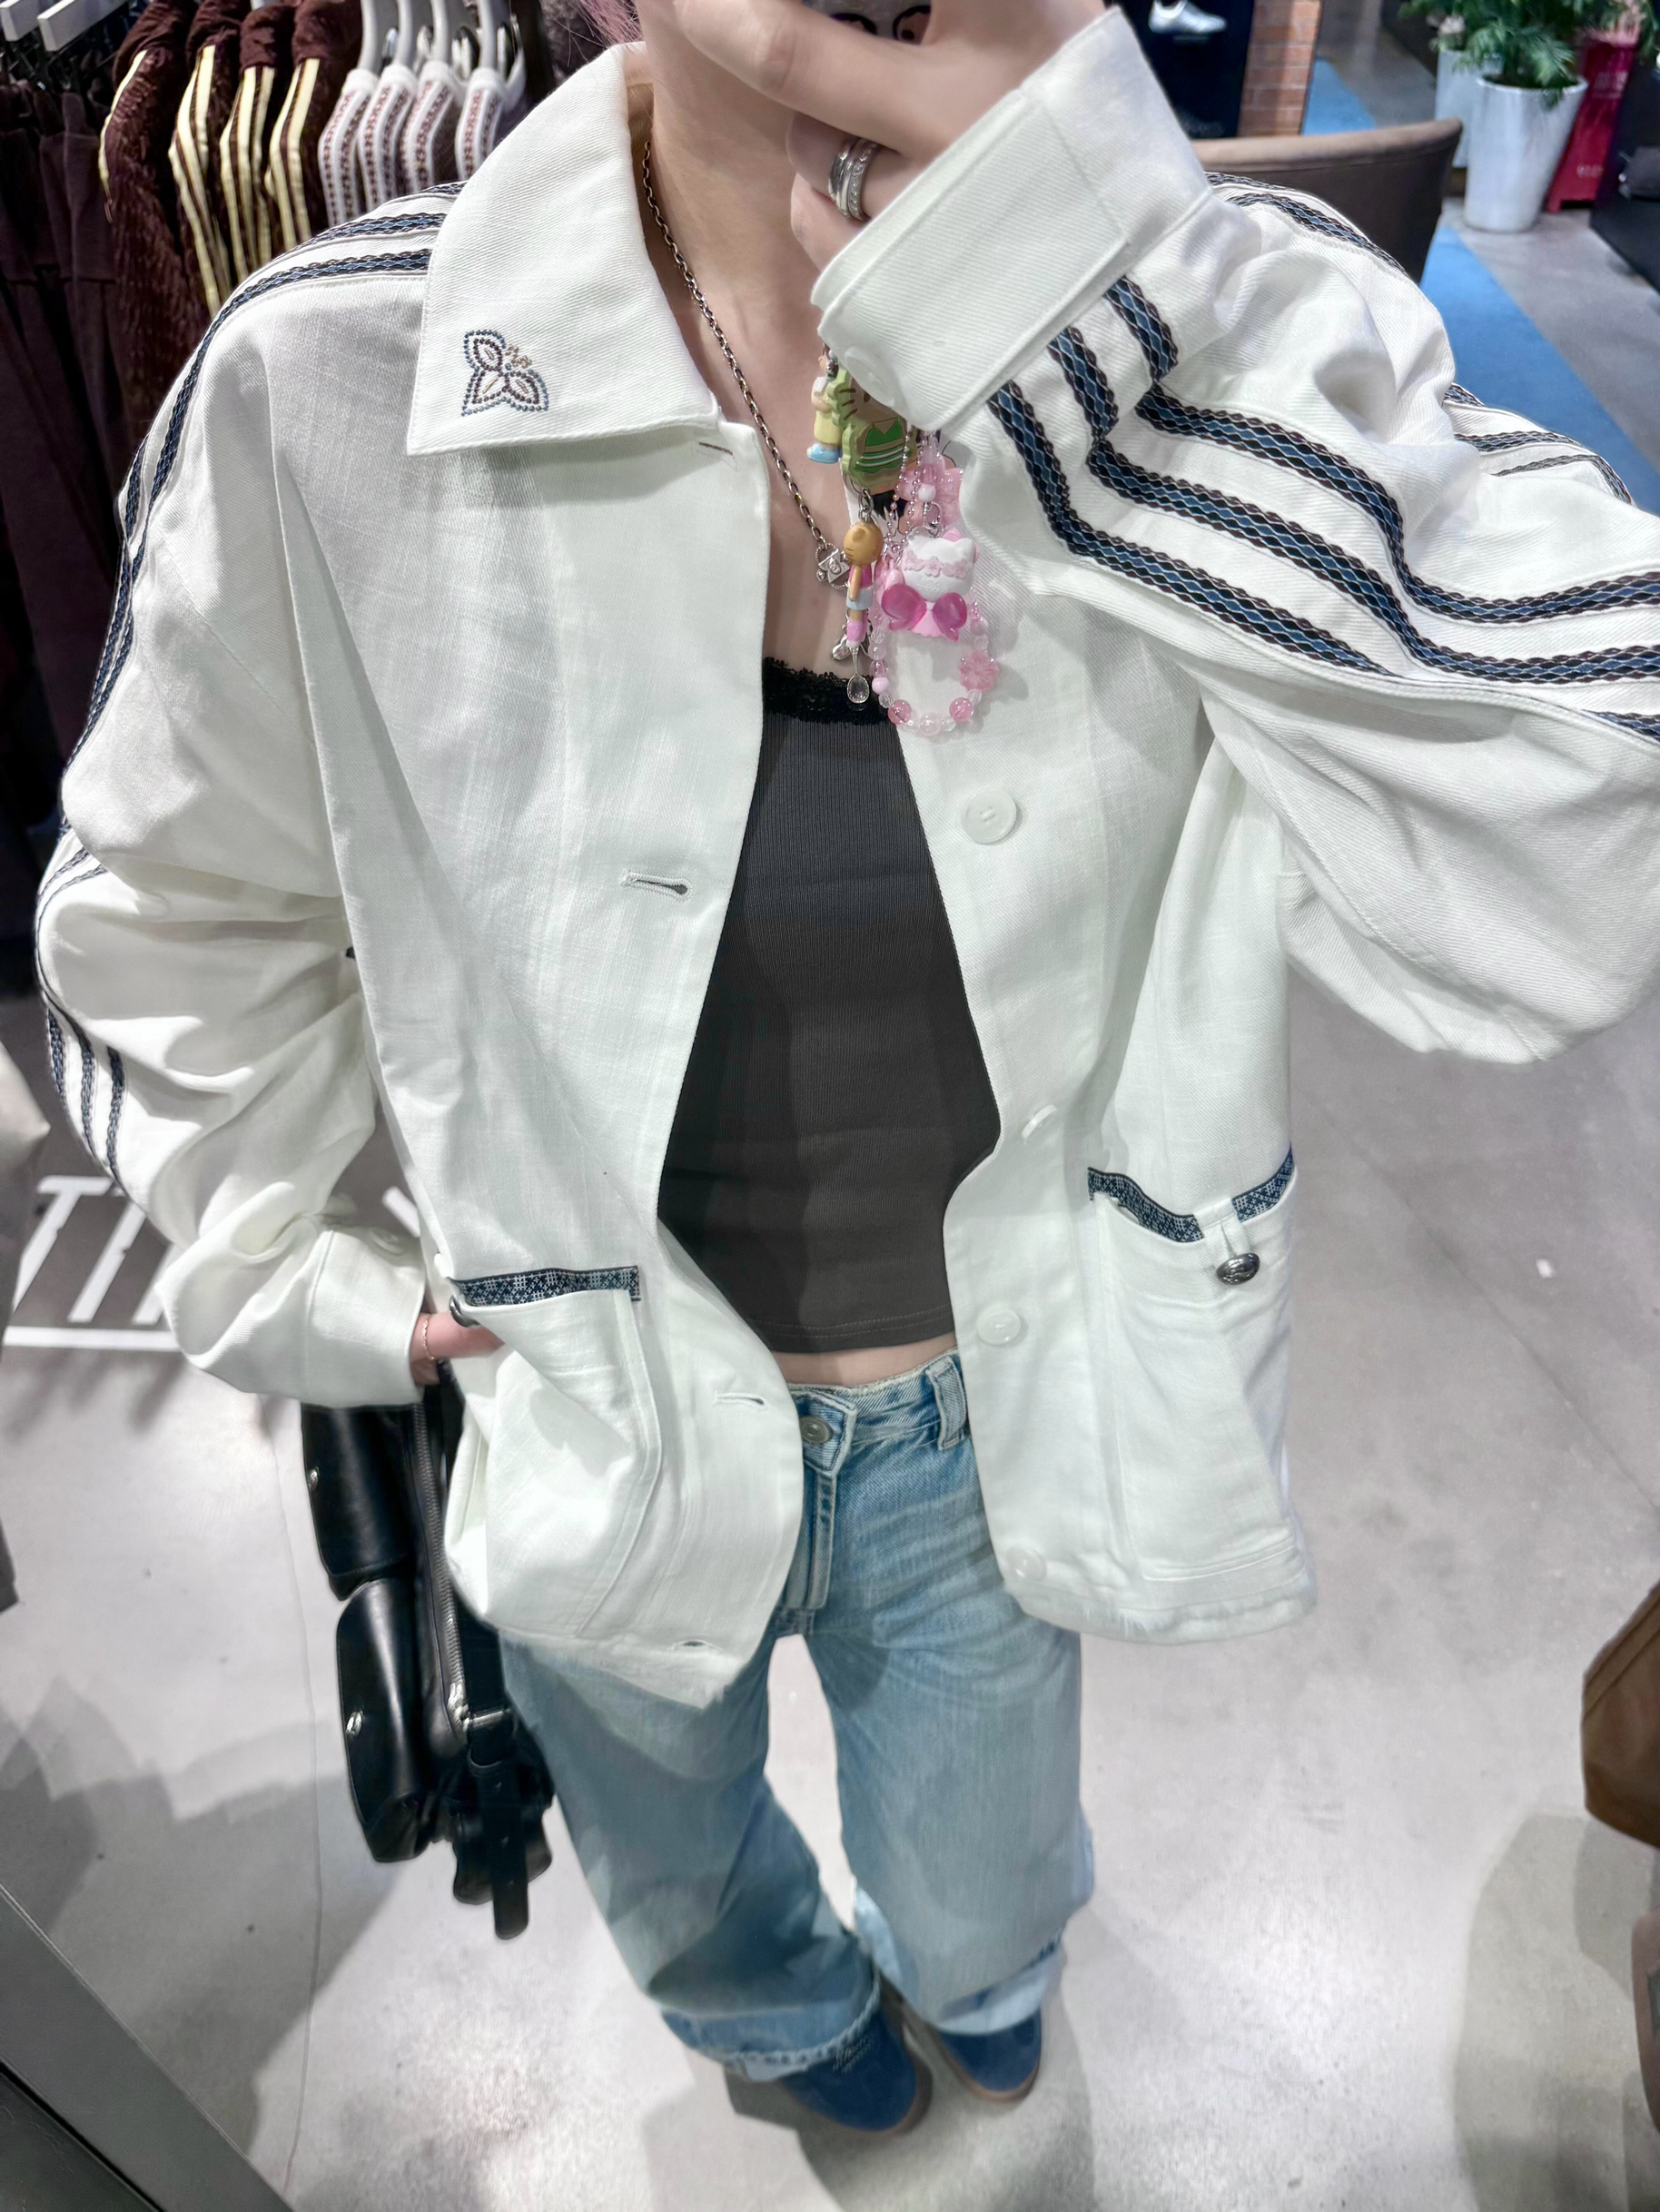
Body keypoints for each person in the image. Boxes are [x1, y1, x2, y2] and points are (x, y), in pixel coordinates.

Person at [35, 0, 1660, 2140]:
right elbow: (163, 923)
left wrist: (1107, 333)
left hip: (996, 1407)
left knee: (985, 1877)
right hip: (591, 1384)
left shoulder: (1236, 331)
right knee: (669, 1847)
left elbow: (1583, 848)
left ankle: (975, 1981)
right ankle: (773, 2014)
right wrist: (321, 1277)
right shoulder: (332, 371)